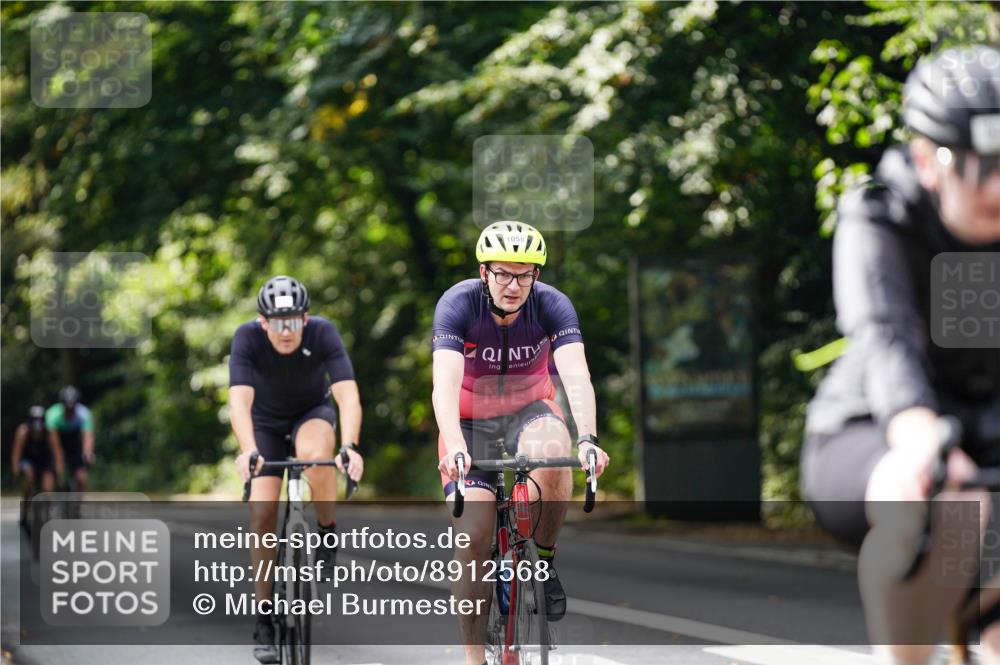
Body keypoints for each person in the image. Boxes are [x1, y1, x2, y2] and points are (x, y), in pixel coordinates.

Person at [801, 45, 1000, 665]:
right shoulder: (881, 214)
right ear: (927, 159)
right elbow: (886, 336)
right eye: (981, 165)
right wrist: (922, 442)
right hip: (875, 426)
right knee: (942, 503)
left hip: (989, 422)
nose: (999, 186)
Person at [432, 221, 610, 665]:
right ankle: (475, 659)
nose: (514, 285)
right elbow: (444, 385)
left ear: (538, 276)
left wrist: (588, 437)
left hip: (530, 413)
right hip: (470, 423)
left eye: (525, 274)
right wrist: (454, 443)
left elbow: (576, 376)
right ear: (484, 272)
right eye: (504, 273)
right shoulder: (457, 304)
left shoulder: (552, 305)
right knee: (473, 538)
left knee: (556, 452)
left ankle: (541, 561)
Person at [229, 274, 364, 664]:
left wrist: (350, 446)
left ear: (305, 319)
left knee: (316, 457)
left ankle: (326, 529)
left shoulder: (323, 333)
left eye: (292, 321)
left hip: (311, 413)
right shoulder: (247, 339)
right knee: (261, 512)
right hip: (265, 424)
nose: (285, 331)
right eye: (276, 322)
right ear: (262, 321)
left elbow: (347, 395)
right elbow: (239, 402)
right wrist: (249, 450)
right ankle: (264, 617)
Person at [12, 405, 66, 528]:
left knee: (48, 488)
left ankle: (47, 513)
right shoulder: (23, 432)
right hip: (28, 460)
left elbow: (58, 454)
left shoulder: (50, 433)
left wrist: (59, 473)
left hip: (45, 461)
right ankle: (25, 510)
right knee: (29, 477)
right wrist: (16, 470)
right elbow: (16, 452)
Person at [46, 386, 95, 492]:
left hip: (74, 444)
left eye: (72, 408)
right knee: (54, 474)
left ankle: (78, 505)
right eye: (66, 408)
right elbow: (53, 440)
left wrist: (88, 452)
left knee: (81, 478)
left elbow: (88, 436)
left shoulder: (84, 414)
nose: (69, 411)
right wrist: (59, 460)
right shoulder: (52, 414)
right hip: (57, 442)